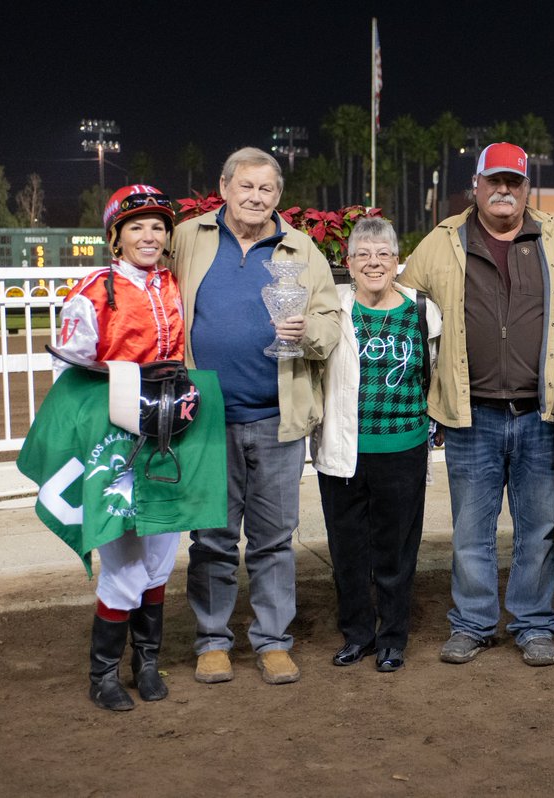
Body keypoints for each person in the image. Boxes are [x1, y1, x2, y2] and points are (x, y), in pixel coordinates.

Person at [398, 142, 554, 667]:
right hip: (469, 415)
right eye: (494, 182)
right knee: (470, 532)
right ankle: (474, 623)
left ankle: (532, 624)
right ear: (475, 186)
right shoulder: (439, 246)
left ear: (528, 189)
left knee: (537, 530)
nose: (504, 191)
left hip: (539, 415)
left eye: (514, 183)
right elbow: (400, 314)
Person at [173, 147, 340, 686]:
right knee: (213, 538)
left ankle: (272, 641)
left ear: (278, 196)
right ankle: (213, 642)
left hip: (277, 419)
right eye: (246, 186)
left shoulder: (300, 248)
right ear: (223, 187)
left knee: (273, 539)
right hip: (206, 417)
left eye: (266, 189)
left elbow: (330, 323)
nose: (255, 197)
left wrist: (307, 333)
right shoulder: (189, 238)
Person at [55, 184, 185, 710]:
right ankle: (103, 675)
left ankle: (146, 663)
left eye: (157, 226)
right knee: (125, 565)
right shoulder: (93, 290)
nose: (149, 236)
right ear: (115, 236)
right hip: (116, 444)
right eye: (137, 227)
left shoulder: (176, 284)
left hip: (173, 435)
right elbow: (67, 371)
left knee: (158, 563)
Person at [313, 217, 442, 673]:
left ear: (396, 261)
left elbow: (434, 372)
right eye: (363, 255)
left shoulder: (422, 310)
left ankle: (392, 638)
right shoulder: (334, 310)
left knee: (396, 552)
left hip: (403, 450)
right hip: (343, 451)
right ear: (347, 263)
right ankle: (357, 635)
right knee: (348, 552)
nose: (373, 263)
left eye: (383, 254)